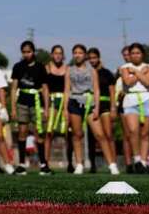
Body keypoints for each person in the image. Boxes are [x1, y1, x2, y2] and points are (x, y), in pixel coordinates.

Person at [9, 40, 51, 174]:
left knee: (38, 133)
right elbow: (14, 87)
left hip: (36, 102)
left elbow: (45, 88)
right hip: (22, 102)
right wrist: (13, 108)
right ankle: (21, 164)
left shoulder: (40, 67)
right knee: (22, 132)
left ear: (33, 52)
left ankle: (43, 164)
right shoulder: (18, 67)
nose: (26, 54)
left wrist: (47, 107)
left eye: (29, 51)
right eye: (24, 52)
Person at [119, 43, 149, 174]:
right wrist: (140, 73)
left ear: (142, 54)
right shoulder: (124, 67)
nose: (135, 55)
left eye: (138, 53)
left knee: (145, 133)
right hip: (130, 99)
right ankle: (137, 159)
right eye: (133, 53)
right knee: (133, 130)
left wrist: (135, 72)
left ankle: (144, 162)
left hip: (147, 99)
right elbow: (128, 82)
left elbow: (147, 82)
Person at [86, 48, 120, 175]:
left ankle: (113, 163)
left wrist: (113, 108)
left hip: (105, 105)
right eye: (90, 58)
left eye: (94, 57)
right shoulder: (87, 73)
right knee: (93, 137)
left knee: (108, 135)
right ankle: (92, 165)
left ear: (99, 58)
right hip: (91, 105)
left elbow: (112, 92)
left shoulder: (106, 73)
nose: (92, 60)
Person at [64, 44, 96, 175]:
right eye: (75, 53)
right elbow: (66, 90)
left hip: (90, 103)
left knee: (99, 134)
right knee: (77, 135)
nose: (77, 55)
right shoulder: (69, 70)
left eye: (80, 52)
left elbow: (97, 89)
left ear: (85, 55)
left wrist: (97, 107)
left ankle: (112, 165)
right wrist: (65, 109)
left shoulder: (92, 70)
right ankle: (79, 164)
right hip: (74, 102)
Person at [44, 44, 71, 172]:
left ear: (63, 55)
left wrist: (65, 107)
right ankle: (45, 163)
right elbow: (44, 88)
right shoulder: (47, 68)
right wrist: (46, 106)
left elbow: (67, 89)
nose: (58, 55)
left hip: (64, 101)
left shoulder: (67, 69)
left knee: (67, 133)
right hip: (52, 101)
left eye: (60, 53)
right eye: (56, 53)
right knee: (49, 132)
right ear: (51, 55)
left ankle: (71, 163)